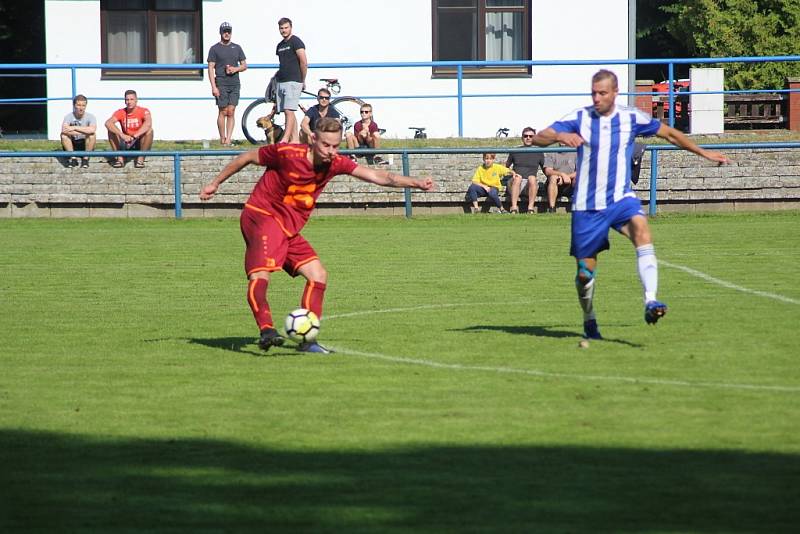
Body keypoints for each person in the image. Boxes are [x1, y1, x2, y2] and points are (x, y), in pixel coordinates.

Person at [199, 117, 435, 354]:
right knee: (261, 275)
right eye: (326, 145)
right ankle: (267, 330)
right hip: (263, 216)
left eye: (336, 146)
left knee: (318, 274)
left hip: (288, 228)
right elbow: (247, 157)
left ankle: (307, 341)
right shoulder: (287, 154)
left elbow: (379, 176)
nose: (332, 151)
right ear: (313, 139)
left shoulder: (335, 163)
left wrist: (416, 183)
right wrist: (215, 183)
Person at [530, 69, 729, 339]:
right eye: (593, 93)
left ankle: (651, 301)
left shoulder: (631, 118)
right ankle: (589, 320)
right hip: (587, 206)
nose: (597, 98)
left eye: (602, 93)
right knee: (585, 273)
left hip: (620, 199)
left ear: (615, 93)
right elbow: (540, 135)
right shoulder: (580, 118)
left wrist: (704, 152)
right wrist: (559, 136)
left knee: (642, 231)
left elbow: (669, 133)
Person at [207, 21, 247, 146]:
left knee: (231, 111)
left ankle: (228, 139)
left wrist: (235, 69)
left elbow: (244, 65)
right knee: (223, 111)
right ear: (220, 33)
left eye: (228, 31)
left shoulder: (237, 47)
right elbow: (210, 68)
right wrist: (214, 87)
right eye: (224, 31)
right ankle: (222, 138)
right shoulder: (214, 49)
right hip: (221, 83)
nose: (226, 33)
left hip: (235, 83)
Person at [275, 17, 307, 144]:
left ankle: (285, 139)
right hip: (281, 81)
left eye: (286, 27)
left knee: (289, 110)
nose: (283, 30)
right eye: (281, 28)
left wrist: (302, 80)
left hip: (294, 81)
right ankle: (295, 140)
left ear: (291, 27)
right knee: (288, 111)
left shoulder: (296, 41)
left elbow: (304, 62)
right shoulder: (280, 45)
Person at [105, 89, 154, 168]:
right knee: (111, 131)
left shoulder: (144, 110)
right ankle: (120, 158)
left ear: (136, 100)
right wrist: (122, 135)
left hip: (139, 141)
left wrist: (135, 136)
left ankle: (140, 159)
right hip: (126, 142)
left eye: (132, 99)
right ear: (125, 101)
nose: (129, 102)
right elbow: (108, 123)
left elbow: (148, 123)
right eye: (127, 99)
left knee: (149, 131)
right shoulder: (121, 112)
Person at [505, 127, 545, 213]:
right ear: (522, 138)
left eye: (531, 136)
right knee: (518, 178)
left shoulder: (539, 152)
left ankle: (530, 208)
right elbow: (505, 167)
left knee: (532, 178)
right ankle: (514, 208)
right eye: (526, 136)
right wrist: (512, 173)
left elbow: (545, 169)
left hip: (530, 184)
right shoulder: (515, 150)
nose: (528, 138)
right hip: (515, 183)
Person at [60, 94, 96, 168]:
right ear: (74, 106)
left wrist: (74, 127)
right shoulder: (68, 116)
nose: (81, 108)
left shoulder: (91, 117)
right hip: (73, 143)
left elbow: (92, 130)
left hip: (85, 143)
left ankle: (85, 159)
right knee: (63, 136)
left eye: (83, 105)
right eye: (79, 105)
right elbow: (64, 130)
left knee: (92, 135)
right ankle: (73, 159)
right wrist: (85, 131)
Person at [542, 145, 576, 213]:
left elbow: (581, 171)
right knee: (553, 177)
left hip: (569, 183)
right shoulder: (551, 152)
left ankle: (577, 209)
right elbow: (548, 171)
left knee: (578, 179)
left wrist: (567, 177)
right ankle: (552, 208)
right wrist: (562, 175)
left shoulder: (575, 152)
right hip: (556, 183)